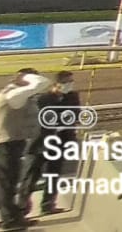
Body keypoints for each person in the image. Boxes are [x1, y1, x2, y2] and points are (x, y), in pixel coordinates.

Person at [0, 68, 50, 231]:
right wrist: (28, 78)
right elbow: (43, 83)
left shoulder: (11, 93)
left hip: (6, 142)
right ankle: (11, 218)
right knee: (7, 183)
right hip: (6, 143)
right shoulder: (15, 95)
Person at [21, 71, 80, 217]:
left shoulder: (72, 97)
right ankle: (21, 208)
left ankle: (48, 205)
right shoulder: (42, 99)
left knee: (53, 175)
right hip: (40, 144)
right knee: (30, 177)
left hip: (60, 142)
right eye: (67, 82)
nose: (70, 85)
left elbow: (74, 115)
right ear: (55, 84)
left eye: (71, 82)